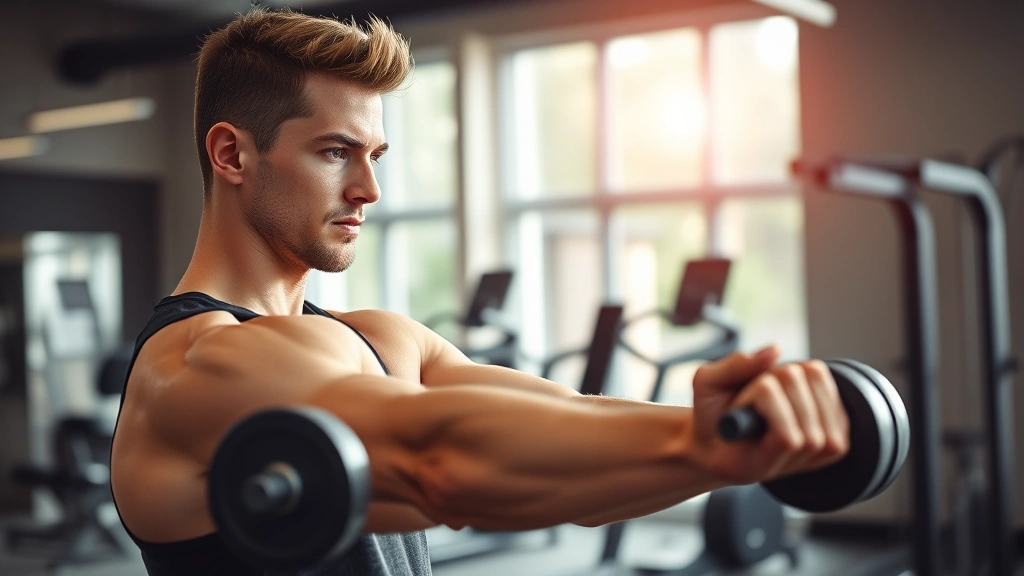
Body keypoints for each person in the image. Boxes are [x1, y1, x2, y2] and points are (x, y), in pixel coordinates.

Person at [109, 7, 850, 576]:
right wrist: (702, 442)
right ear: (232, 153)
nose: (368, 189)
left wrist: (729, 437)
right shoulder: (196, 368)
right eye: (335, 152)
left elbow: (570, 426)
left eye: (375, 156)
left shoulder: (383, 338)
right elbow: (446, 462)